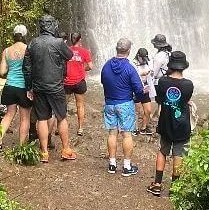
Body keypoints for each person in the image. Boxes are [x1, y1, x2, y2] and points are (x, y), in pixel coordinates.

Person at [23, 14, 77, 162]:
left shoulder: (32, 43)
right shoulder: (58, 42)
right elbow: (70, 55)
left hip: (39, 87)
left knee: (41, 118)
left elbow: (26, 68)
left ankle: (44, 153)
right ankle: (66, 149)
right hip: (55, 86)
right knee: (61, 117)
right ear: (53, 26)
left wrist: (29, 87)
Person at [146, 51, 194, 197]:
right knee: (178, 154)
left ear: (171, 65)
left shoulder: (163, 82)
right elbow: (185, 101)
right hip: (182, 124)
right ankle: (175, 187)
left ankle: (157, 185)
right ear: (183, 67)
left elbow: (160, 100)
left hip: (166, 123)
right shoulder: (188, 85)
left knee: (162, 151)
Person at [101, 37, 145, 176]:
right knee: (127, 134)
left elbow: (103, 81)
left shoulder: (106, 65)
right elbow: (138, 89)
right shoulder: (130, 68)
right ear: (129, 50)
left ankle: (112, 164)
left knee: (112, 133)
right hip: (125, 103)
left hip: (109, 103)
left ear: (117, 48)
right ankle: (126, 166)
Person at [0, 24, 32, 150]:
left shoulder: (6, 51)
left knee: (9, 114)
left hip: (10, 86)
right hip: (23, 88)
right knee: (24, 118)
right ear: (25, 35)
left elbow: (2, 72)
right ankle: (21, 146)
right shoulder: (28, 49)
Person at [64, 32, 93, 136]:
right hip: (79, 82)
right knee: (80, 105)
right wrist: (82, 68)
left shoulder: (66, 50)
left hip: (67, 82)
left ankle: (61, 127)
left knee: (63, 106)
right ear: (80, 40)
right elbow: (90, 66)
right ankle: (80, 128)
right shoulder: (84, 52)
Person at [132, 47, 154, 135]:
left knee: (148, 110)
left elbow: (151, 74)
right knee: (137, 111)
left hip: (145, 88)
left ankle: (144, 128)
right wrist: (142, 74)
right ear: (138, 56)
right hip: (136, 89)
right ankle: (135, 128)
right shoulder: (133, 64)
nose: (144, 60)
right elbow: (131, 76)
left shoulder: (147, 62)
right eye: (142, 58)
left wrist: (151, 73)